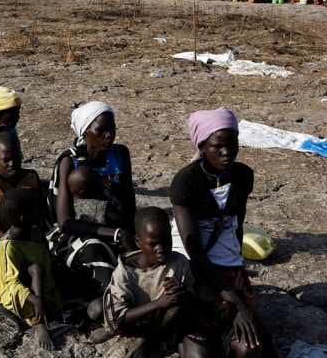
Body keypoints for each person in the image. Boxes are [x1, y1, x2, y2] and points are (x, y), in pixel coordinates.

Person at [171, 107, 269, 358]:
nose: (227, 153)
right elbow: (194, 250)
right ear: (202, 146)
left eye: (233, 144)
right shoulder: (186, 182)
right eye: (218, 146)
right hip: (196, 270)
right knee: (199, 353)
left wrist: (239, 278)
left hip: (228, 268)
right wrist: (234, 300)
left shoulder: (243, 176)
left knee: (249, 349)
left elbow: (235, 227)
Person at [47, 101, 137, 288]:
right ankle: (113, 304)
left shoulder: (120, 154)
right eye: (102, 130)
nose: (109, 135)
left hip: (117, 225)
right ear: (85, 132)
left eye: (112, 129)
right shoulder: (69, 161)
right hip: (78, 231)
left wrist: (129, 233)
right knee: (97, 249)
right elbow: (65, 222)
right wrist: (116, 234)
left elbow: (129, 203)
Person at [90, 207, 195, 357]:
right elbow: (120, 319)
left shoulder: (178, 262)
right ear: (138, 242)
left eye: (166, 241)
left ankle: (145, 340)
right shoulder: (124, 272)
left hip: (160, 320)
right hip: (133, 317)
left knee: (180, 302)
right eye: (153, 244)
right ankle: (112, 330)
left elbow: (191, 298)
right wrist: (157, 303)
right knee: (95, 309)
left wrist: (179, 290)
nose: (161, 249)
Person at [0, 188, 63, 351]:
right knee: (28, 295)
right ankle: (39, 324)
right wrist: (36, 300)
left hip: (35, 279)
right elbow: (10, 282)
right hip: (11, 287)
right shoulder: (8, 245)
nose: (43, 210)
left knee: (37, 270)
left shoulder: (36, 233)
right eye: (38, 208)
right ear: (24, 219)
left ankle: (40, 309)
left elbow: (44, 266)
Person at [0, 131, 46, 261]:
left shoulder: (31, 177)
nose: (12, 163)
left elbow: (41, 212)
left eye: (16, 157)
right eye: (6, 160)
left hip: (32, 237)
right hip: (4, 240)